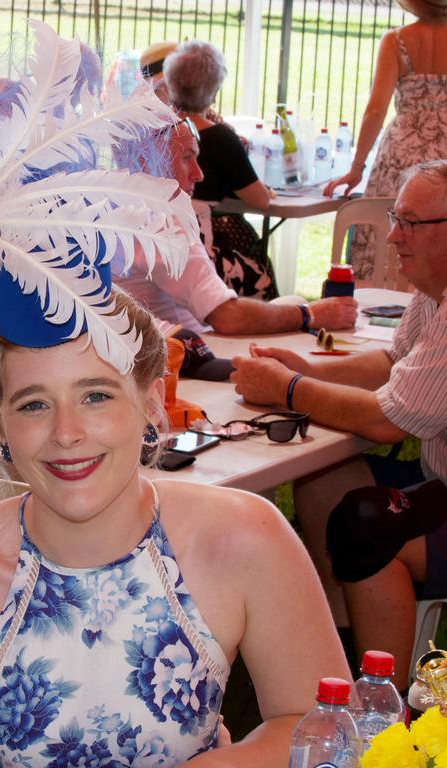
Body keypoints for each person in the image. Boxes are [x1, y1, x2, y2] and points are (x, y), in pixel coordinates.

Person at [0, 23, 348, 765]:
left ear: (153, 400)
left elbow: (325, 729)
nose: (66, 433)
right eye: (32, 404)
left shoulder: (245, 541)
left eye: (96, 395)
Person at [231, 160, 447, 692]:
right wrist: (303, 369)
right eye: (397, 217)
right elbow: (390, 363)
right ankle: (334, 649)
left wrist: (283, 389)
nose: (393, 234)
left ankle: (384, 707)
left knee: (366, 523)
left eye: (410, 223)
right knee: (328, 476)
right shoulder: (432, 290)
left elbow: (385, 419)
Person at [114, 120, 358, 338]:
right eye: (187, 157)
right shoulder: (159, 217)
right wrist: (310, 315)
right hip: (193, 357)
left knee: (293, 303)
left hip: (155, 347)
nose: (199, 175)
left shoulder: (108, 202)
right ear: (146, 159)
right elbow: (227, 317)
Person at [323, 0, 447, 283]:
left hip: (399, 157)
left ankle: (380, 295)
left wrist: (356, 168)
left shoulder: (396, 41)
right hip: (445, 162)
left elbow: (376, 110)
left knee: (388, 232)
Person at [163, 40, 278, 300]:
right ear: (214, 91)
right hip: (202, 253)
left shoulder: (157, 128)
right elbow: (259, 200)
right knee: (259, 267)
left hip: (160, 245)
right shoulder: (220, 137)